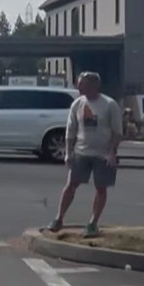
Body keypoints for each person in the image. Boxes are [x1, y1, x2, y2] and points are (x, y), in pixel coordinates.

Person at [45, 71, 123, 238]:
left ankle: (93, 223)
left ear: (93, 86)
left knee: (101, 188)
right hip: (81, 151)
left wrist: (111, 152)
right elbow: (71, 129)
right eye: (78, 84)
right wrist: (68, 151)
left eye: (82, 84)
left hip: (102, 154)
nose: (78, 87)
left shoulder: (109, 104)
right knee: (71, 184)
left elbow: (117, 131)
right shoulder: (78, 104)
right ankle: (59, 219)